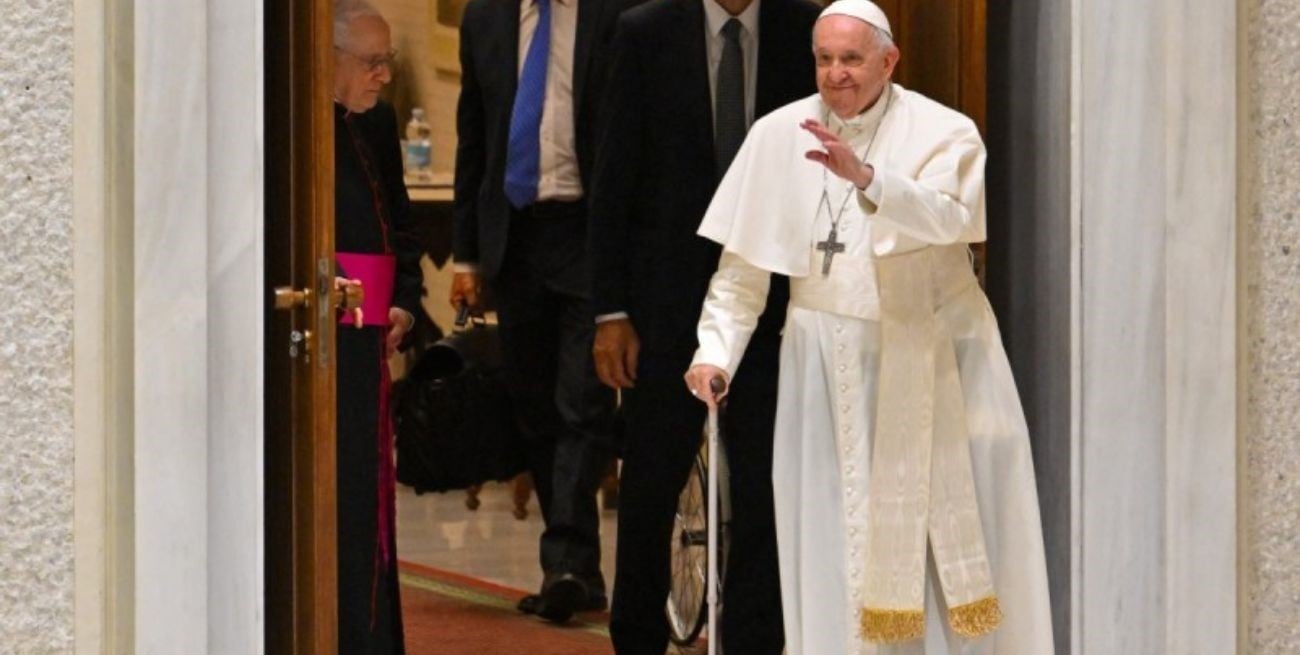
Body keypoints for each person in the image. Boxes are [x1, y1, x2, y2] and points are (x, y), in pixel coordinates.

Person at [683, 1, 1056, 653]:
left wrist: (869, 179)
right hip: (817, 367)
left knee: (935, 548)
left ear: (889, 60)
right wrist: (714, 352)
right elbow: (743, 271)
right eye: (824, 59)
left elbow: (949, 218)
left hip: (927, 356)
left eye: (851, 59)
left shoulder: (946, 132)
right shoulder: (778, 135)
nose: (836, 74)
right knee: (827, 531)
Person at [585, 0, 820, 652]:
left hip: (775, 304)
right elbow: (613, 178)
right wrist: (610, 311)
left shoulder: (807, 32)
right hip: (665, 309)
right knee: (651, 488)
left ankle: (751, 639)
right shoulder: (644, 32)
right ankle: (636, 636)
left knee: (765, 488)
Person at [451, 0, 640, 624]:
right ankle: (577, 572)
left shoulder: (619, 15)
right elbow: (473, 135)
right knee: (533, 406)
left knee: (581, 404)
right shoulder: (485, 18)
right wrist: (468, 257)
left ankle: (566, 561)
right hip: (516, 235)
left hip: (589, 232)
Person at [332, 1, 424, 652]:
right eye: (371, 63)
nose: (383, 76)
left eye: (386, 61)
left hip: (373, 342)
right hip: (330, 347)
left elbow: (400, 222)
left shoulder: (377, 124)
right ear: (329, 62)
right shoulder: (302, 132)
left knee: (374, 506)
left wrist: (406, 302)